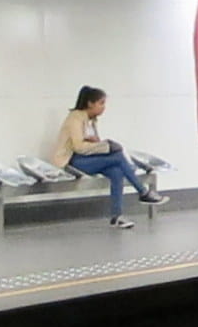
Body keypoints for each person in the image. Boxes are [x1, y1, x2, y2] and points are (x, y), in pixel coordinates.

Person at [51, 84, 156, 227]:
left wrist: (99, 144)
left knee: (117, 172)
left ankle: (117, 216)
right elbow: (79, 147)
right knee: (118, 156)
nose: (103, 107)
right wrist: (106, 146)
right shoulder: (75, 118)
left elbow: (91, 145)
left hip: (88, 159)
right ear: (90, 103)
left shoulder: (91, 120)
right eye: (101, 103)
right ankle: (143, 192)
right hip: (73, 160)